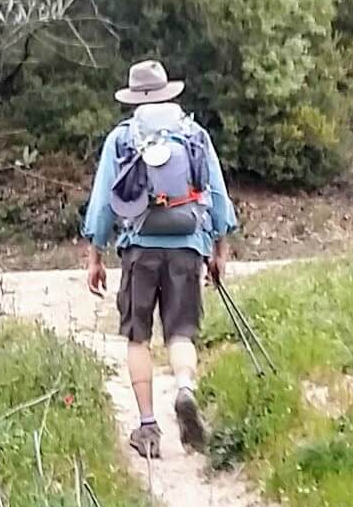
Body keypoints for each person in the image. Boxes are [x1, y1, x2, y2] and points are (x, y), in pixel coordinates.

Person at [80, 59, 237, 458]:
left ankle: (148, 428)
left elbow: (102, 202)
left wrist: (94, 255)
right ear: (168, 93)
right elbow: (215, 192)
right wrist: (220, 249)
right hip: (187, 245)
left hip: (139, 248)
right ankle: (185, 389)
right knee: (181, 333)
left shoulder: (122, 138)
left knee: (138, 337)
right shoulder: (194, 133)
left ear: (135, 98)